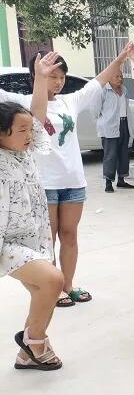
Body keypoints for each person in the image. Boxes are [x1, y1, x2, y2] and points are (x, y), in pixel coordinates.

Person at [0, 43, 134, 309]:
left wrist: (121, 58)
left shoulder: (69, 101)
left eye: (61, 76)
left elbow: (98, 82)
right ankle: (50, 287)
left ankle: (67, 285)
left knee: (70, 235)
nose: (59, 82)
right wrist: (40, 81)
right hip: (44, 183)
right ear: (37, 74)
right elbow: (32, 115)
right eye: (53, 75)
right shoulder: (24, 103)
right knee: (47, 238)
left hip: (73, 180)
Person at [1, 53, 65, 372]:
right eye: (21, 131)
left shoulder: (25, 152)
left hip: (35, 238)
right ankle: (35, 341)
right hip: (7, 244)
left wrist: (40, 78)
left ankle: (27, 354)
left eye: (30, 130)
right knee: (53, 280)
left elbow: (36, 115)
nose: (30, 135)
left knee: (44, 292)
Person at [95, 58, 134, 193]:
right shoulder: (103, 91)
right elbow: (95, 110)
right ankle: (108, 182)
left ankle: (121, 180)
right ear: (109, 78)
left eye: (121, 76)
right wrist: (103, 121)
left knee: (123, 153)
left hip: (124, 124)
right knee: (110, 155)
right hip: (109, 126)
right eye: (117, 76)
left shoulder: (124, 90)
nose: (120, 79)